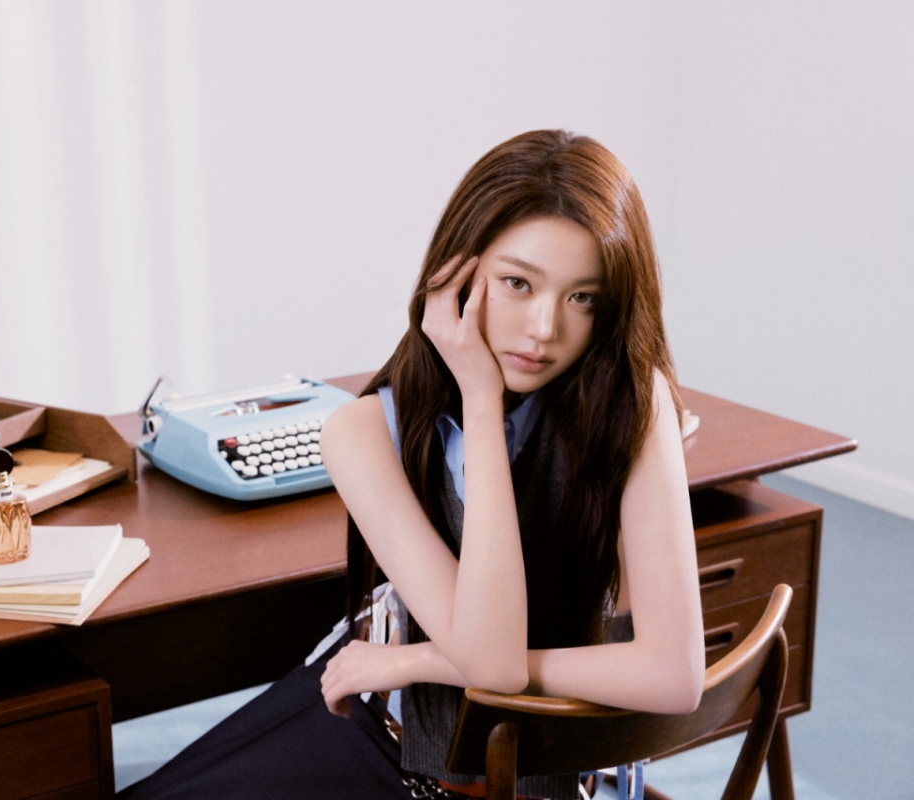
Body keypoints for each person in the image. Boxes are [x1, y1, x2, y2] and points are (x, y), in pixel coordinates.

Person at [119, 130, 704, 800]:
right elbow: (490, 661)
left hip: (449, 768)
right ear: (455, 278)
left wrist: (420, 659)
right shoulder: (363, 431)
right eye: (517, 283)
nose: (544, 328)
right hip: (376, 711)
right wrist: (419, 661)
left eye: (584, 298)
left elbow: (656, 676)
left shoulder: (634, 402)